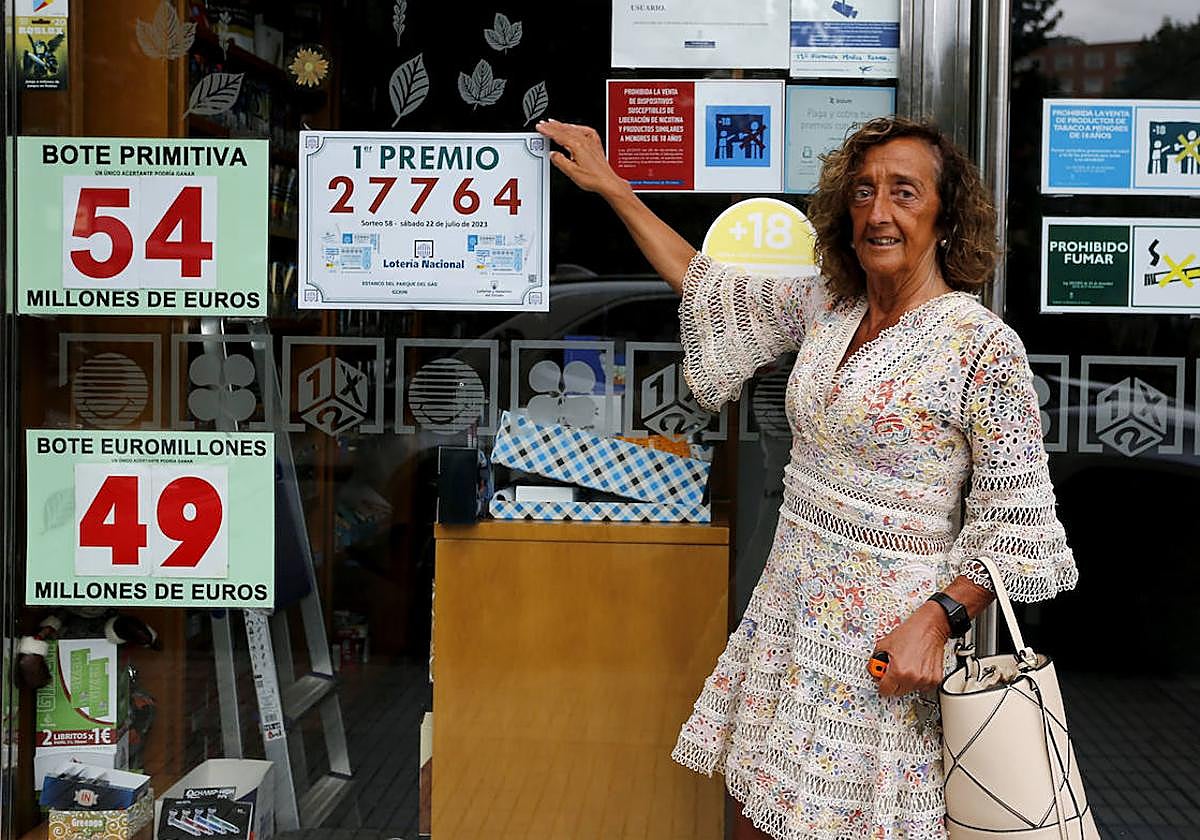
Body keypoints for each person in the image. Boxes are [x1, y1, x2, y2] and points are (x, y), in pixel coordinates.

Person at [534, 116, 1079, 840]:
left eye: (904, 193)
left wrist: (940, 618)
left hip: (888, 649)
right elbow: (704, 281)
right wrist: (612, 186)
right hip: (789, 625)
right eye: (863, 192)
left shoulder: (981, 346)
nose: (879, 212)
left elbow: (1019, 522)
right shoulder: (828, 306)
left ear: (946, 216)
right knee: (758, 816)